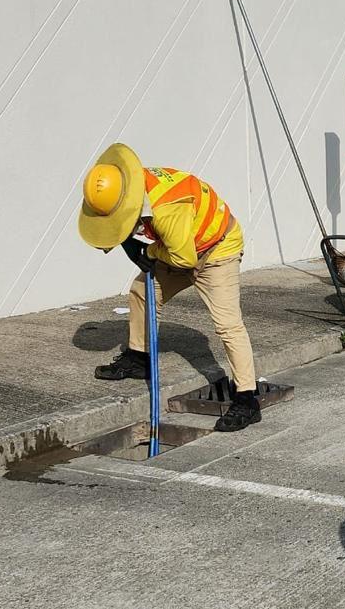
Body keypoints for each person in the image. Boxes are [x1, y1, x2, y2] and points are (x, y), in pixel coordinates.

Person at [77, 143, 261, 432]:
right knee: (141, 291)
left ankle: (247, 398)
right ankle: (139, 357)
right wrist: (127, 242)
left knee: (228, 324)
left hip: (217, 250)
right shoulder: (126, 187)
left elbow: (183, 258)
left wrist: (149, 253)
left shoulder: (166, 209)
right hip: (183, 244)